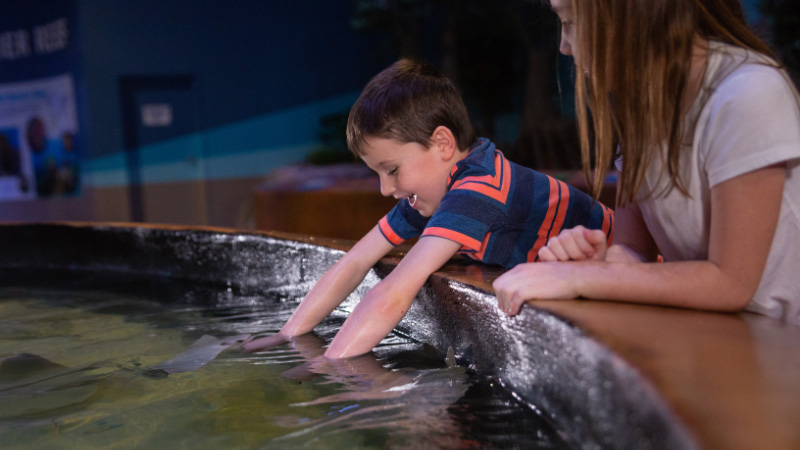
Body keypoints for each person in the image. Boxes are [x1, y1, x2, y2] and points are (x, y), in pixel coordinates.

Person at [245, 59, 614, 358]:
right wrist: (288, 337)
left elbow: (396, 290)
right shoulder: (428, 193)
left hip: (630, 263)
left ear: (442, 144)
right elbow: (354, 261)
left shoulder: (479, 186)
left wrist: (329, 368)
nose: (386, 189)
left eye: (392, 170)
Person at [493, 0, 800, 324]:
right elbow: (634, 251)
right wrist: (598, 265)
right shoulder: (643, 108)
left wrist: (580, 279)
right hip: (718, 337)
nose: (565, 46)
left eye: (570, 22)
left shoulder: (748, 93)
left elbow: (731, 282)